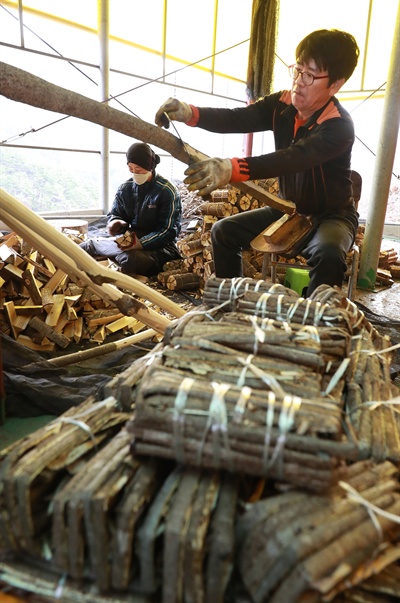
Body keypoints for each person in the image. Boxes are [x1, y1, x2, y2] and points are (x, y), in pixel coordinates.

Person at [155, 29, 360, 296]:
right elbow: (238, 118)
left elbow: (294, 157)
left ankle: (314, 327)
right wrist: (190, 113)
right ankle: (235, 306)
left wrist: (231, 168)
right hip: (288, 209)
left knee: (329, 254)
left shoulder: (339, 126)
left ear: (335, 84)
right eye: (297, 69)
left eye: (309, 75)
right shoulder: (281, 104)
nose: (299, 81)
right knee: (222, 231)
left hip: (331, 216)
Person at [80, 142, 182, 276]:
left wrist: (140, 243)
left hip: (159, 246)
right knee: (90, 245)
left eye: (138, 169)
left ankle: (116, 257)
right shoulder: (125, 189)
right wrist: (116, 223)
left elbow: (167, 231)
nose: (135, 173)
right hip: (129, 241)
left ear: (149, 166)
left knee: (133, 260)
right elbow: (115, 214)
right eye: (131, 169)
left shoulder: (166, 191)